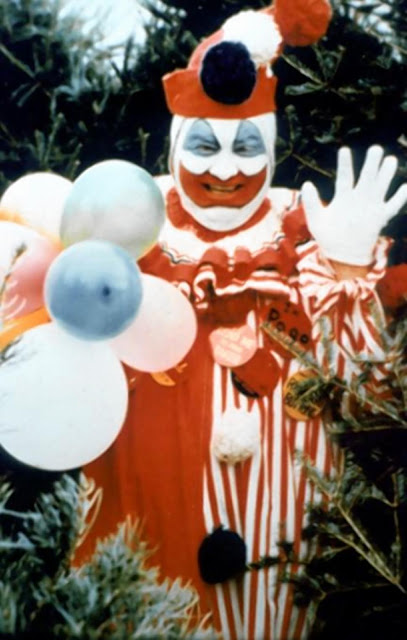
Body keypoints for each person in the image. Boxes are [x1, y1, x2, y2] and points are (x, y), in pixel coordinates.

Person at [78, 1, 407, 638]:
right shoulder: (127, 237)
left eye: (247, 146)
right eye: (204, 145)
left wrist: (346, 271)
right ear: (176, 142)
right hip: (148, 532)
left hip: (289, 560)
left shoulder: (308, 237)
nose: (225, 170)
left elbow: (369, 403)